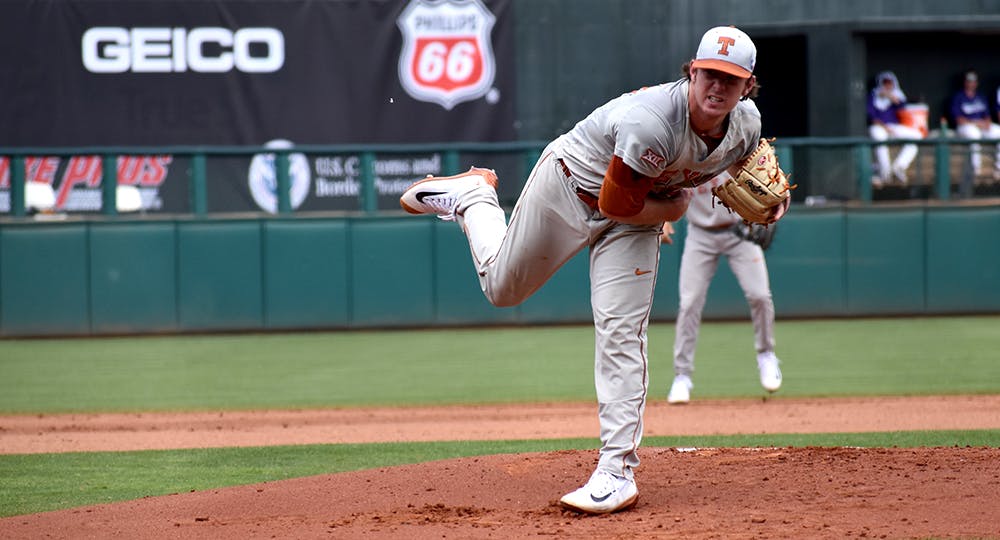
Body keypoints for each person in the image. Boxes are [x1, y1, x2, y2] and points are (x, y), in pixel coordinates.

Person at [399, 26, 787, 515]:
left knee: (622, 333)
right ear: (692, 71)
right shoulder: (653, 123)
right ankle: (475, 198)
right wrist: (674, 211)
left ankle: (616, 472)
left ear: (747, 86)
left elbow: (748, 165)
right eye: (709, 74)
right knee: (502, 289)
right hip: (570, 188)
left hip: (634, 218)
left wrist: (777, 203)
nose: (717, 88)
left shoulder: (746, 123)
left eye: (730, 80)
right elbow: (616, 203)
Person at [661, 177, 781, 405]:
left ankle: (766, 355)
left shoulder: (729, 149)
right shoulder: (686, 156)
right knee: (689, 303)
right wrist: (663, 219)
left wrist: (766, 206)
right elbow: (665, 185)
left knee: (760, 295)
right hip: (700, 234)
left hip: (739, 232)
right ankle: (682, 376)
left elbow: (760, 177)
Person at [866, 71, 923, 187]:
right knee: (879, 138)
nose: (888, 86)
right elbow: (872, 118)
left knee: (917, 136)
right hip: (879, 127)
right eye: (885, 83)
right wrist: (884, 127)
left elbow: (902, 106)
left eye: (890, 83)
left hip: (892, 127)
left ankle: (898, 167)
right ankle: (885, 173)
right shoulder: (872, 96)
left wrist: (891, 97)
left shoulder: (896, 95)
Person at [950, 69, 1000, 181]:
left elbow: (987, 116)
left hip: (980, 126)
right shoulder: (958, 97)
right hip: (965, 127)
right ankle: (975, 170)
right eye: (969, 81)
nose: (971, 84)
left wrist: (986, 122)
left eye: (973, 81)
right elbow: (958, 119)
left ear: (976, 83)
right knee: (974, 135)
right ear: (965, 82)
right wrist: (976, 123)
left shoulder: (980, 97)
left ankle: (998, 169)